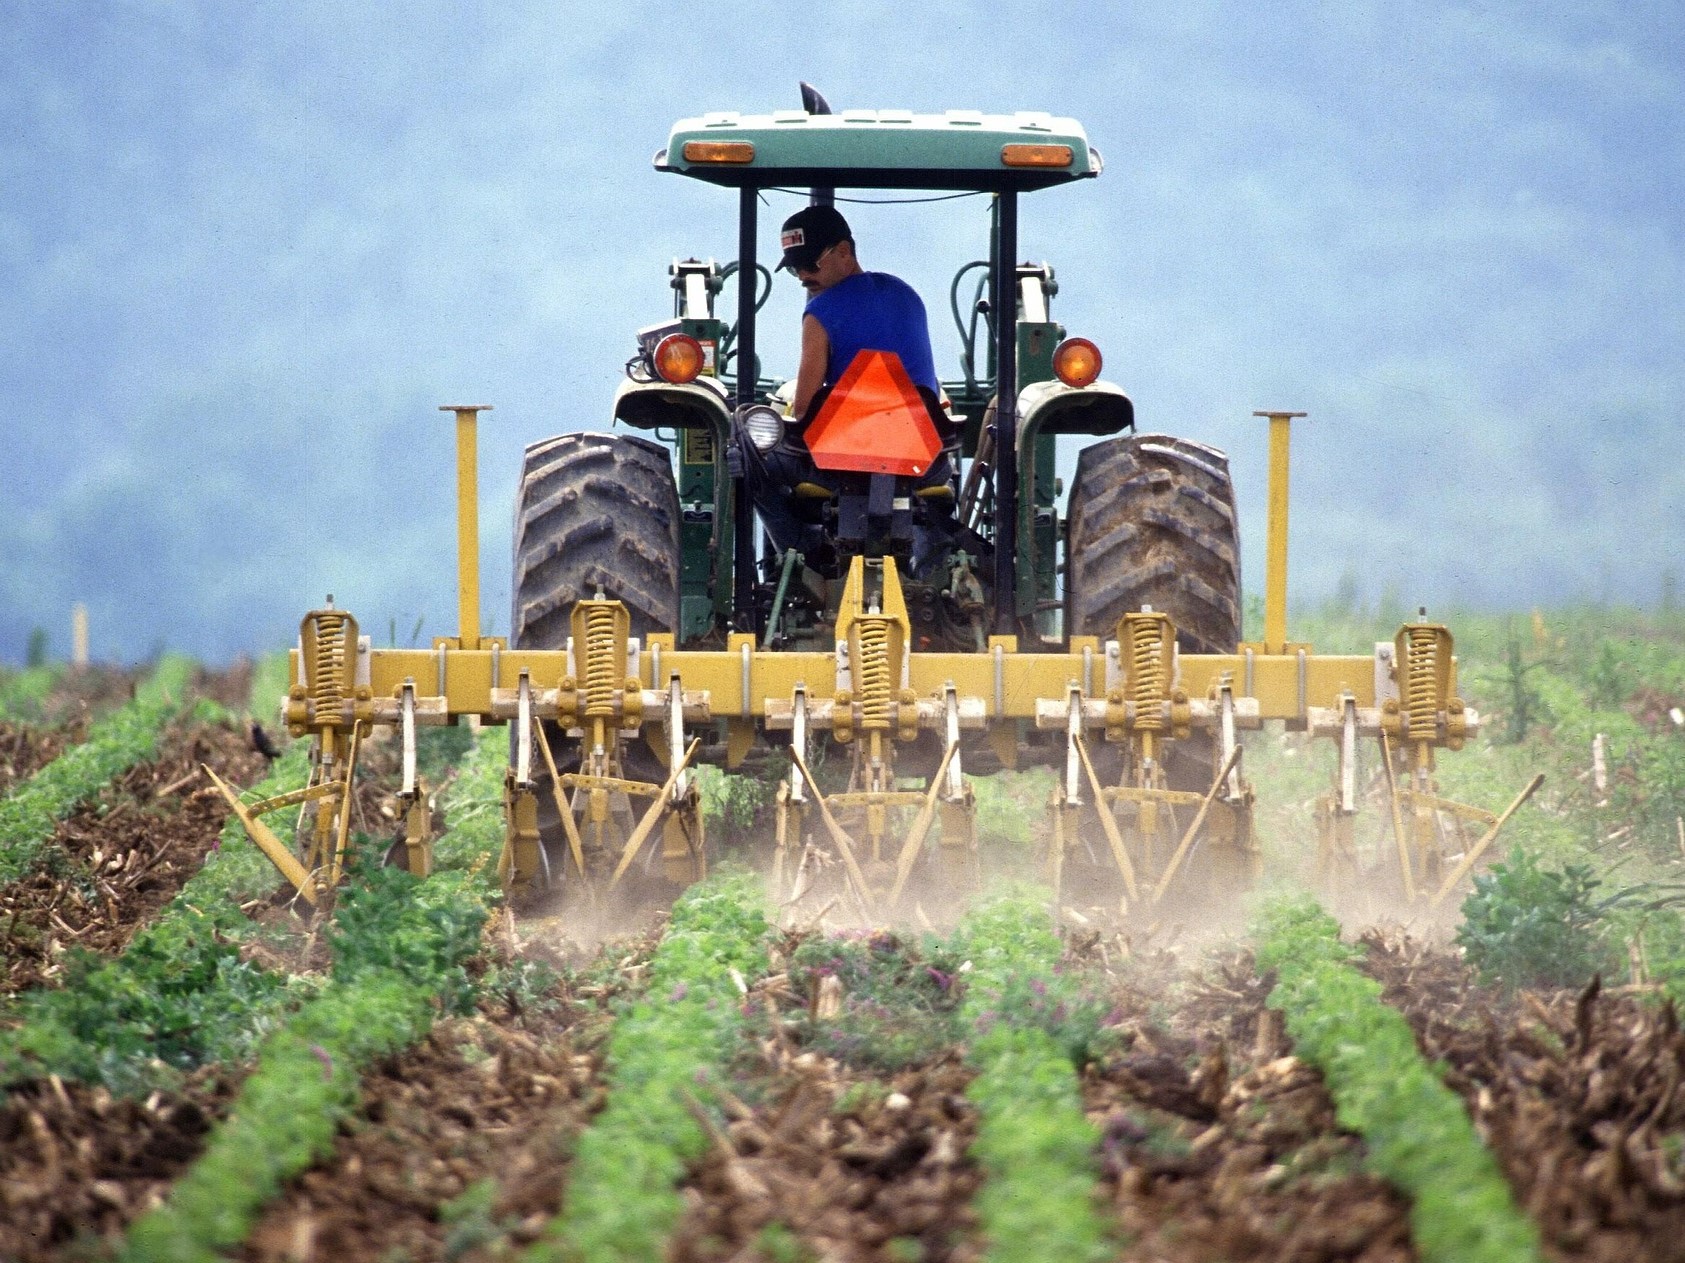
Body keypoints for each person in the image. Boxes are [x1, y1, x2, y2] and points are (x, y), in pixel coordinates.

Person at [737, 205, 950, 566]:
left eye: (810, 264)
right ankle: (929, 568)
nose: (803, 275)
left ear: (844, 252)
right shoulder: (908, 295)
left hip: (843, 468)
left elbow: (802, 411)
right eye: (794, 268)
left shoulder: (819, 314)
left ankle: (804, 549)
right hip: (922, 462)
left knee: (747, 456)